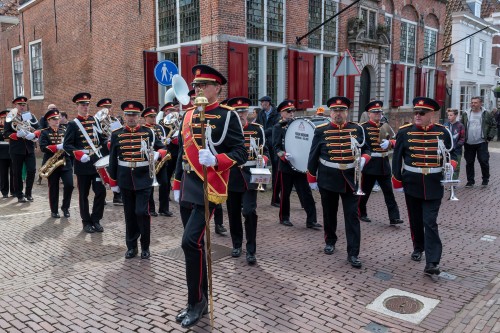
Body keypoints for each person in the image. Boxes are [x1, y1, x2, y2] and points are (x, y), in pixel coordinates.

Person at [172, 64, 247, 328]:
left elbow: (241, 153)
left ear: (217, 87)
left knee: (189, 243)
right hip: (188, 189)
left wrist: (216, 159)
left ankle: (197, 302)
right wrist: (176, 183)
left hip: (209, 187)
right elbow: (182, 153)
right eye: (196, 86)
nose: (198, 89)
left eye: (204, 85)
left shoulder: (228, 116)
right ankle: (197, 300)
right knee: (195, 247)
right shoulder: (188, 115)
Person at [392, 97, 457, 275]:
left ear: (431, 115)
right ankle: (418, 247)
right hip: (412, 182)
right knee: (415, 220)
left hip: (434, 183)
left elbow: (454, 154)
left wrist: (451, 166)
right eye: (416, 112)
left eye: (422, 113)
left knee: (430, 222)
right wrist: (396, 180)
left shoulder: (443, 132)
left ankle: (433, 262)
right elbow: (397, 158)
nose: (417, 115)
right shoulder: (405, 132)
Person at [307, 97, 369, 268]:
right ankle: (330, 240)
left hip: (350, 179)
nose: (338, 114)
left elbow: (367, 148)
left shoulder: (357, 129)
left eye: (341, 110)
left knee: (352, 216)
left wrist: (364, 158)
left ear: (347, 112)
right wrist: (311, 177)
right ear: (330, 112)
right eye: (335, 110)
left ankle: (353, 253)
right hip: (328, 178)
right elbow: (313, 155)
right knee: (329, 213)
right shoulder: (321, 131)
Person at [108, 101, 168, 259]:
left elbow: (163, 147)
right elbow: (113, 159)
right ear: (125, 116)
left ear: (138, 116)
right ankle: (131, 246)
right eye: (128, 115)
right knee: (129, 214)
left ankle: (145, 246)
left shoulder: (148, 132)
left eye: (134, 115)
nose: (131, 118)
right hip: (125, 178)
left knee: (141, 212)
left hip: (144, 179)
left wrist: (158, 154)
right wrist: (113, 182)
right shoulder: (117, 134)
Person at [226, 97, 269, 264]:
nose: (241, 114)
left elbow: (265, 150)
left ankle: (251, 249)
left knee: (249, 211)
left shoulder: (257, 129)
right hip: (232, 174)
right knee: (233, 212)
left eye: (243, 111)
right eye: (237, 112)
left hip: (251, 174)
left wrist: (264, 159)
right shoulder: (226, 130)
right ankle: (237, 244)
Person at [63, 93, 108, 233]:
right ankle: (86, 221)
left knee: (101, 192)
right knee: (84, 195)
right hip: (82, 164)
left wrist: (109, 144)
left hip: (97, 162)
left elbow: (101, 140)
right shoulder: (72, 124)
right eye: (82, 105)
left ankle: (96, 219)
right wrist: (78, 154)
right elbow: (67, 145)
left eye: (87, 104)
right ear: (77, 106)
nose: (85, 107)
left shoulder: (95, 120)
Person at [272, 100, 320, 229]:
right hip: (286, 166)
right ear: (282, 113)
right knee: (285, 194)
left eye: (293, 111)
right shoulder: (278, 127)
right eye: (288, 111)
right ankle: (284, 217)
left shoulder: (298, 124)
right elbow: (276, 147)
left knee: (306, 193)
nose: (292, 113)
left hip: (300, 166)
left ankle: (311, 220)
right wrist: (283, 155)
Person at [358, 100, 403, 225]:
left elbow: (395, 141)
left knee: (389, 192)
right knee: (364, 192)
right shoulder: (363, 127)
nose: (378, 114)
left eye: (380, 112)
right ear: (369, 113)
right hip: (370, 164)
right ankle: (361, 212)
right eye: (375, 112)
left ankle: (394, 217)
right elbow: (360, 145)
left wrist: (390, 143)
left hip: (384, 164)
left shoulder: (385, 125)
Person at [3, 96, 40, 203]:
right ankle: (20, 194)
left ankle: (29, 193)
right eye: (20, 105)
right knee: (17, 172)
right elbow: (6, 133)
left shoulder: (29, 115)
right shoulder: (10, 116)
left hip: (29, 148)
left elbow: (39, 128)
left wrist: (34, 134)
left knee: (32, 170)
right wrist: (17, 134)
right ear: (15, 105)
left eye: (24, 105)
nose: (22, 107)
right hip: (16, 149)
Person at [39, 109, 74, 218]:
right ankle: (54, 210)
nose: (57, 120)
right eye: (54, 119)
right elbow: (43, 148)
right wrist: (56, 147)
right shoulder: (44, 132)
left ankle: (65, 207)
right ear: (49, 121)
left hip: (65, 162)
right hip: (52, 163)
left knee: (69, 185)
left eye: (58, 118)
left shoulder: (64, 130)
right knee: (53, 187)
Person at [461, 96, 496, 187]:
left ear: (481, 103)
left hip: (481, 142)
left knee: (483, 161)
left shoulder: (486, 114)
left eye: (475, 102)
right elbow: (461, 126)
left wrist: (489, 137)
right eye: (472, 102)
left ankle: (485, 179)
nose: (473, 104)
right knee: (469, 162)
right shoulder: (466, 114)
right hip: (468, 142)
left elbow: (493, 125)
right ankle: (470, 181)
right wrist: (461, 138)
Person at [142, 106, 171, 217]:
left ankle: (164, 208)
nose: (153, 118)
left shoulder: (160, 127)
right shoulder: (144, 129)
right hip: (150, 161)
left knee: (164, 184)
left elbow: (163, 143)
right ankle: (151, 208)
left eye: (154, 116)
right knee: (150, 186)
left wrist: (164, 148)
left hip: (162, 160)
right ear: (145, 117)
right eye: (151, 117)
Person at [96, 98, 123, 205]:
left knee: (116, 171)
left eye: (109, 107)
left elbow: (120, 134)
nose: (107, 110)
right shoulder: (96, 121)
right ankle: (101, 196)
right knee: (102, 174)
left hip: (113, 150)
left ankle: (117, 196)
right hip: (101, 150)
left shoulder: (115, 120)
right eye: (105, 107)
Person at [256, 96, 281, 206]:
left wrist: (263, 132)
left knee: (275, 165)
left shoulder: (277, 113)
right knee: (262, 162)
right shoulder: (261, 113)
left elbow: (276, 127)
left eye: (264, 103)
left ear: (269, 103)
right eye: (261, 103)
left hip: (273, 141)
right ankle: (262, 185)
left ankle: (275, 186)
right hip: (263, 142)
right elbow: (257, 124)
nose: (263, 104)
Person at [444, 108, 465, 181]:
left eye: (451, 115)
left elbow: (462, 139)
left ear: (456, 115)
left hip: (456, 150)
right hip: (446, 150)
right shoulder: (445, 125)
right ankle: (447, 180)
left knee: (455, 166)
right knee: (446, 166)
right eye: (448, 115)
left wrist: (455, 146)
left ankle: (454, 181)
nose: (449, 117)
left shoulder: (460, 126)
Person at [0, 110, 15, 198]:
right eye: (3, 118)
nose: (5, 120)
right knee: (3, 173)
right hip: (2, 154)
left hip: (12, 152)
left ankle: (13, 191)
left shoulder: (12, 127)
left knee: (14, 173)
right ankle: (4, 191)